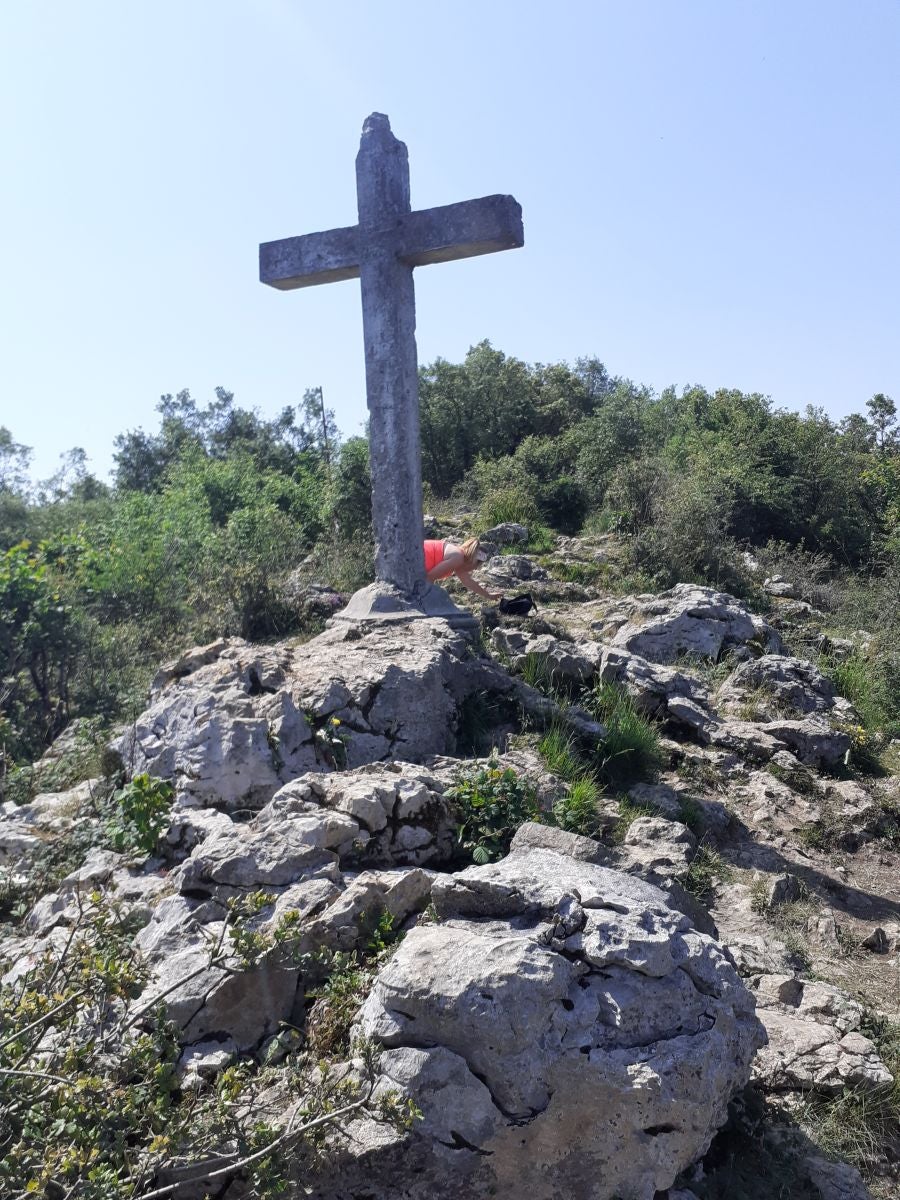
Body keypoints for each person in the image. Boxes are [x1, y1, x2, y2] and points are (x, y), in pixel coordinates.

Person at [424, 536, 503, 601]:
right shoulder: (457, 558)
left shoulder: (459, 559)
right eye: (475, 566)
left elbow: (469, 582)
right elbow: (429, 577)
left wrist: (489, 596)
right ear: (472, 561)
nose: (474, 569)